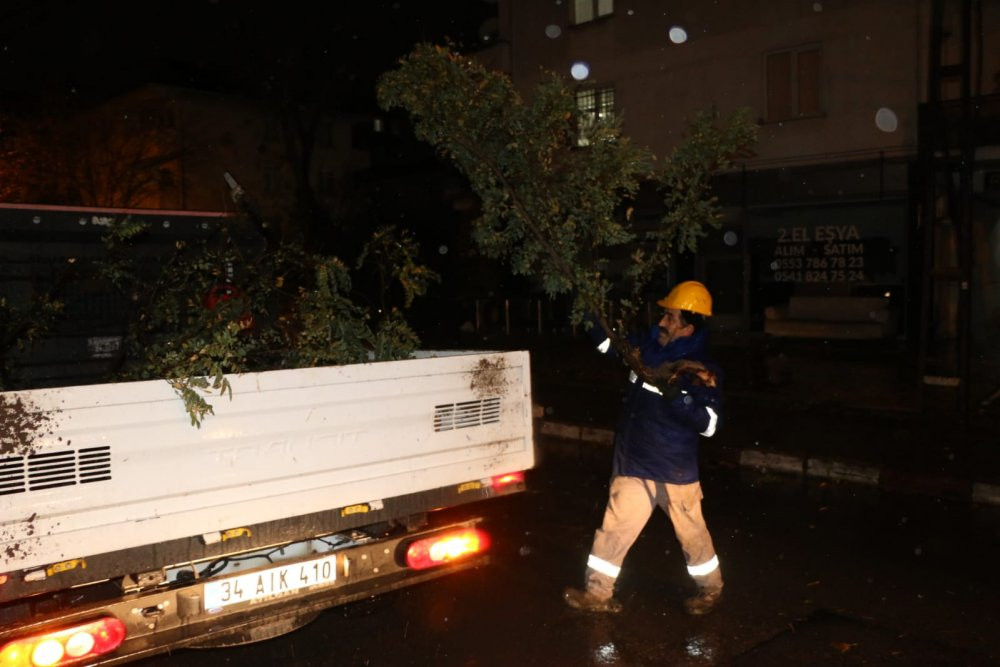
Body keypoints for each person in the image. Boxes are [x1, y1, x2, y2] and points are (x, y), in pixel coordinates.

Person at [563, 280, 724, 616]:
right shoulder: (648, 349)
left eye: (670, 317)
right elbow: (609, 344)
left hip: (674, 469)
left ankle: (710, 591)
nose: (662, 321)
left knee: (693, 536)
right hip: (634, 461)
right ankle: (597, 594)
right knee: (613, 529)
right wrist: (588, 309)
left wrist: (676, 397)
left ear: (688, 326)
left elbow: (709, 425)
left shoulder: (701, 371)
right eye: (664, 314)